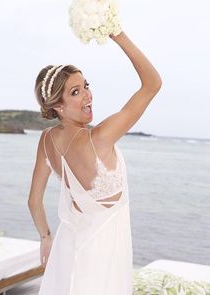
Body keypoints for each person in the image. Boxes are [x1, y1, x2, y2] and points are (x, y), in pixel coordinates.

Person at [28, 31, 162, 295]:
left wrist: (45, 238)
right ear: (57, 105)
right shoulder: (100, 137)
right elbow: (153, 83)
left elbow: (33, 201)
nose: (88, 95)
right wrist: (117, 34)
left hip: (68, 249)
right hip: (103, 256)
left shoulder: (46, 140)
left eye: (86, 85)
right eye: (75, 92)